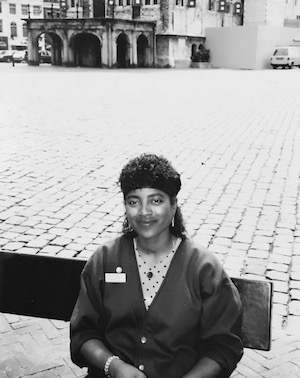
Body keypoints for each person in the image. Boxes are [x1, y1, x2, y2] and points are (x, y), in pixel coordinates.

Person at [70, 153, 243, 378]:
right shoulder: (105, 259)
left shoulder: (204, 269)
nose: (144, 212)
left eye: (156, 200)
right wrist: (113, 366)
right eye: (134, 201)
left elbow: (223, 346)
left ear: (173, 206)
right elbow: (84, 332)